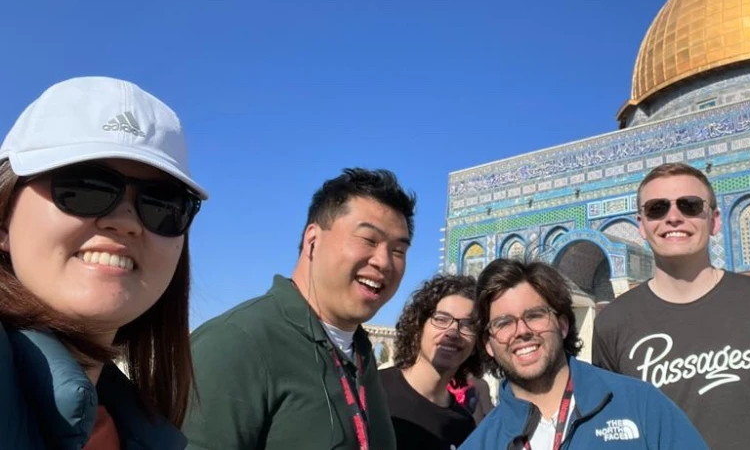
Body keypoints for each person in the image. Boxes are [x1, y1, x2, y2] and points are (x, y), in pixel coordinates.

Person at [0, 76, 208, 449]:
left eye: (163, 204)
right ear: (3, 220)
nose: (126, 221)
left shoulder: (135, 427)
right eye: (84, 188)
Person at [592, 162, 750, 450]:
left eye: (690, 205)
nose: (674, 217)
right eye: (657, 208)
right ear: (641, 225)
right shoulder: (613, 323)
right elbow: (616, 425)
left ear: (715, 220)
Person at [183, 168, 416, 450]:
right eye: (369, 240)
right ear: (312, 241)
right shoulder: (236, 345)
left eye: (398, 251)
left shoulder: (361, 354)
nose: (384, 262)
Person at [460, 259, 708, 450]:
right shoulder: (481, 443)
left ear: (563, 325)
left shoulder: (640, 405)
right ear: (489, 344)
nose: (522, 331)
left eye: (535, 315)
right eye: (503, 323)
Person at [379, 274, 479, 450]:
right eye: (441, 319)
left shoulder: (464, 426)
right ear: (418, 327)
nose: (453, 332)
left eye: (467, 324)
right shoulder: (372, 391)